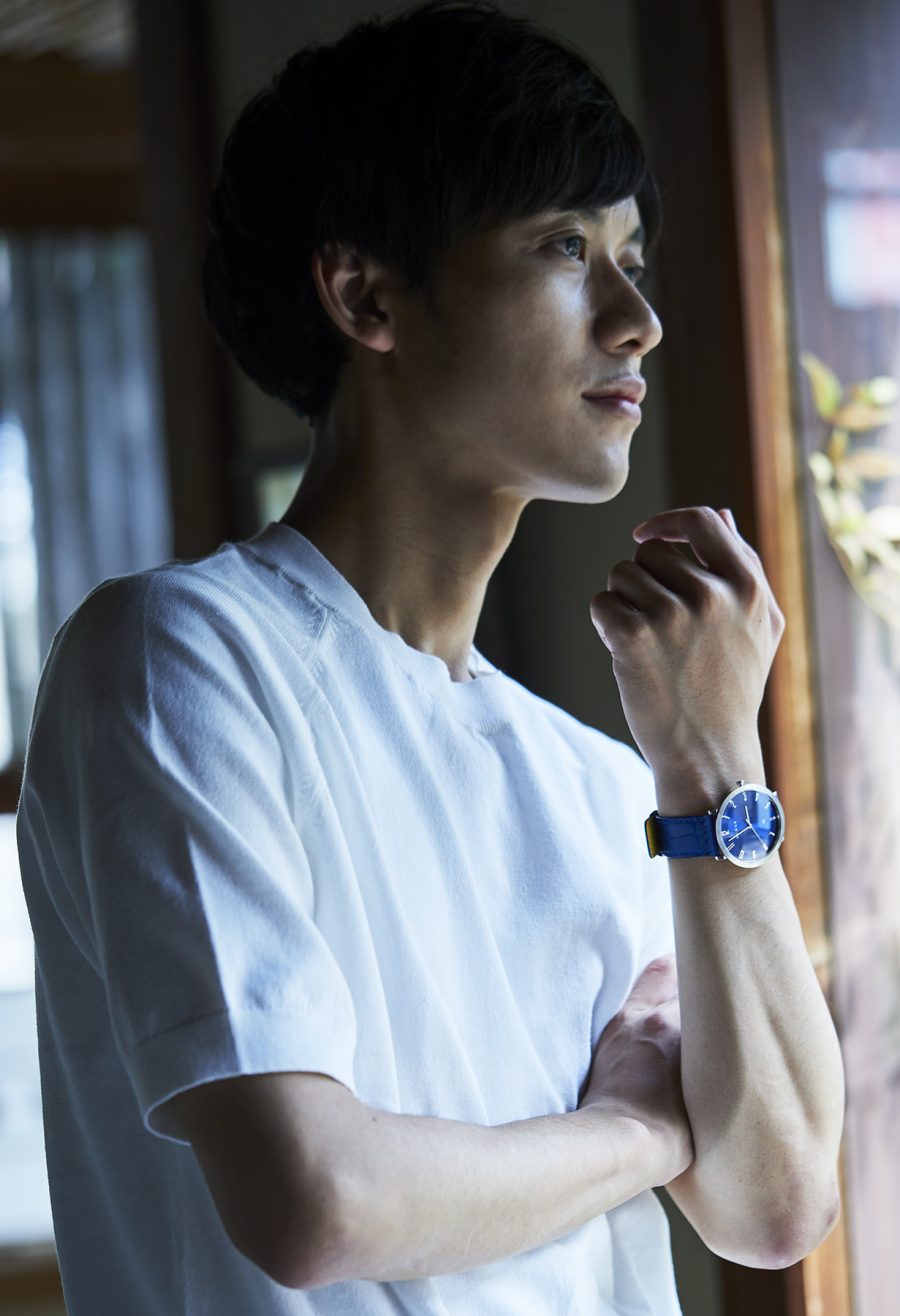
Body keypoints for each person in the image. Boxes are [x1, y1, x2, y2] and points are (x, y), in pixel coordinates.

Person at [16, 1, 846, 1312]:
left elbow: (775, 1204)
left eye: (632, 255)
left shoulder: (596, 778)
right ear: (366, 296)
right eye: (566, 246)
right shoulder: (182, 659)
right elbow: (317, 1199)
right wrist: (637, 1133)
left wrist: (712, 765)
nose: (637, 318)